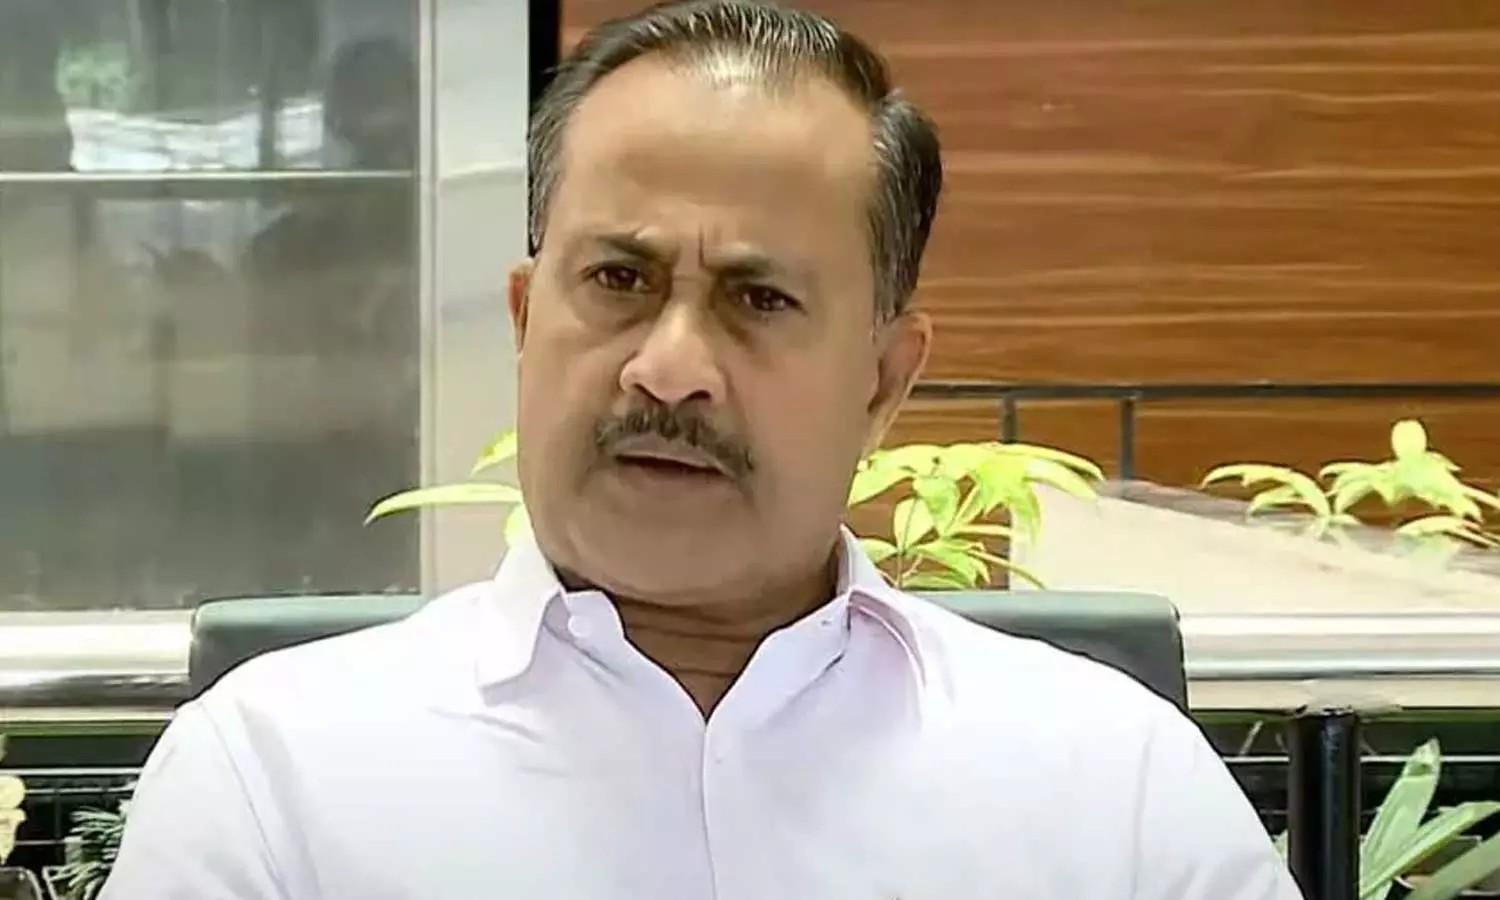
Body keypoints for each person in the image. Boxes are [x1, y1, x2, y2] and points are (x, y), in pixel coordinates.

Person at [101, 2, 1304, 898]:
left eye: (758, 299)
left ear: (884, 382)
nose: (669, 367)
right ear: (525, 323)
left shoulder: (1118, 790)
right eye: (618, 281)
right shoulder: (272, 780)